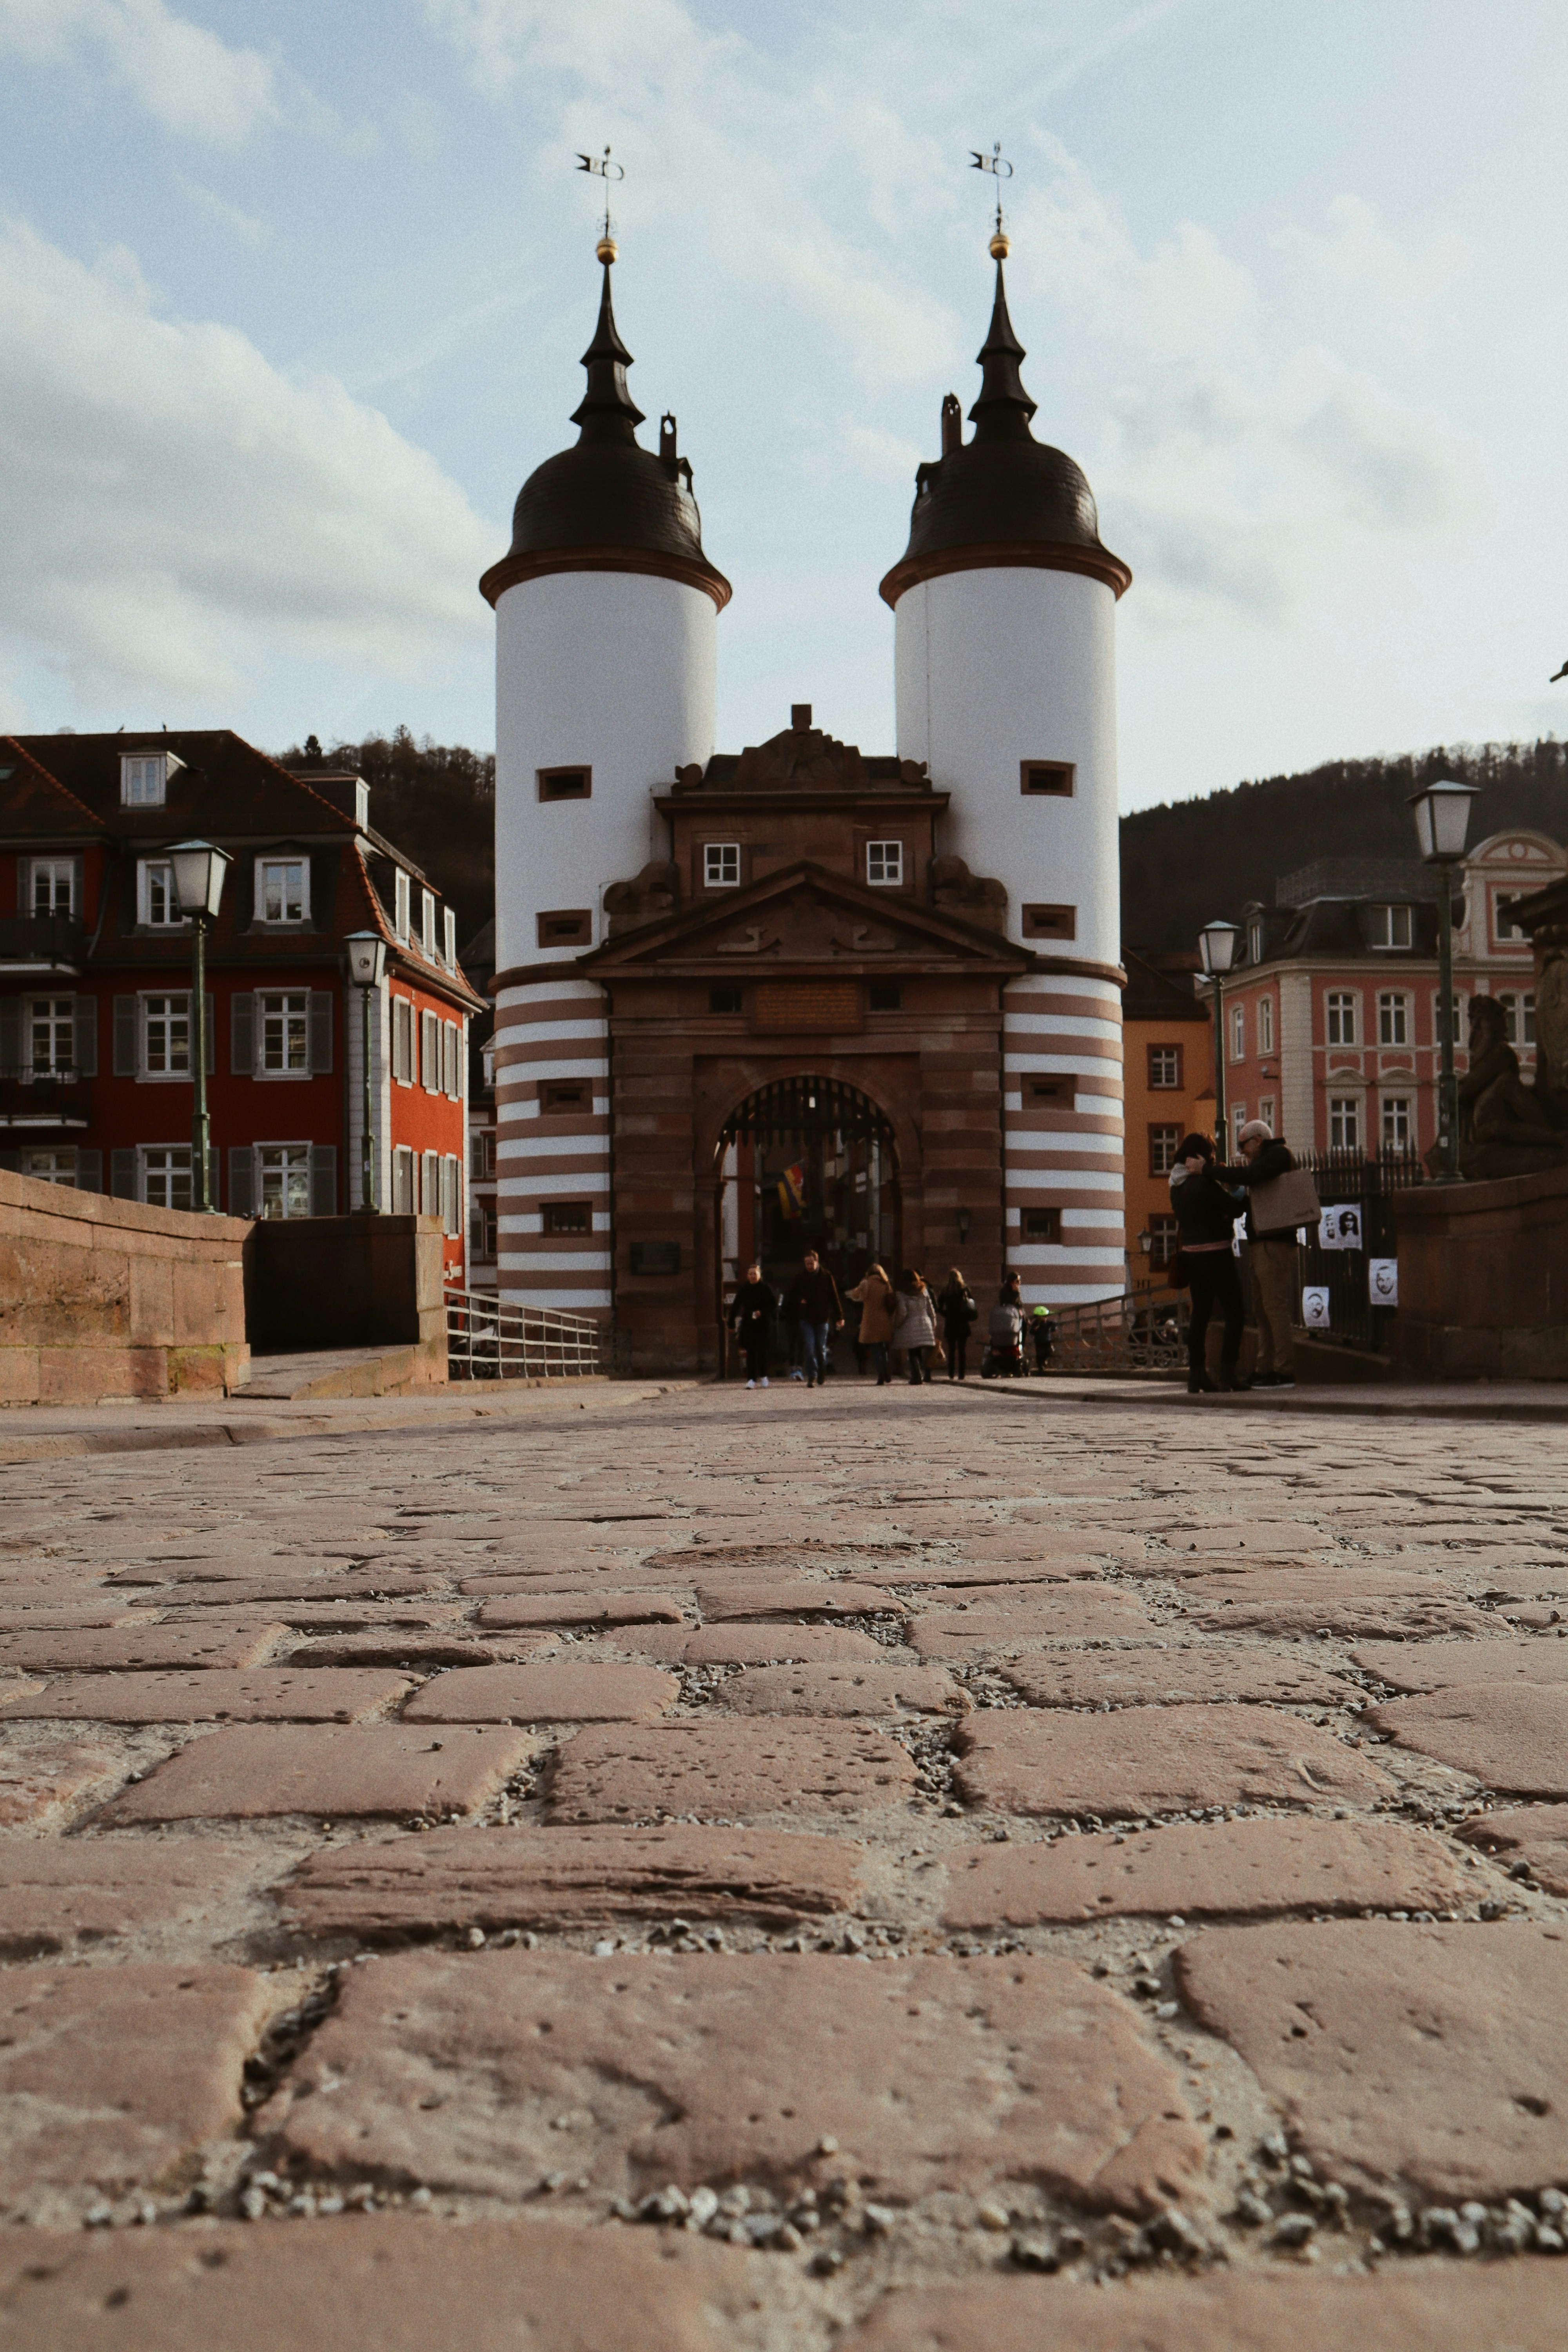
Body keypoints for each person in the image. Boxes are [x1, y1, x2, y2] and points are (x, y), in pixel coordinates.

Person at [1220, 1119, 1300, 1390]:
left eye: (1243, 1145)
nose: (1242, 1151)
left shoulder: (1278, 1155)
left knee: (1275, 1308)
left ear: (1257, 1140)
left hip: (1275, 1244)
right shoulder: (1263, 1165)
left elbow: (1253, 1176)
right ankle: (1264, 1368)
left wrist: (1215, 1172)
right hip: (1261, 1244)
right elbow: (1244, 1204)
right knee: (1262, 1311)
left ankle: (1285, 1370)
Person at [1169, 1132, 1247, 1394]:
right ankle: (1227, 1373)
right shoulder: (1204, 1184)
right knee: (1235, 1312)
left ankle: (1197, 1374)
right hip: (1216, 1253)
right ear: (1201, 1156)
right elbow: (1236, 1209)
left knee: (1200, 1315)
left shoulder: (1176, 1185)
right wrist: (1236, 1188)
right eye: (1210, 1155)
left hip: (1192, 1255)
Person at [783, 1249, 844, 1390]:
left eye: (811, 1263)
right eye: (807, 1263)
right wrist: (800, 1300)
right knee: (810, 1349)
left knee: (821, 1349)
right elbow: (790, 1295)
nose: (809, 1266)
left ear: (817, 1262)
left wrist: (840, 1317)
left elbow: (834, 1298)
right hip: (806, 1319)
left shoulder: (826, 1276)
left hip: (823, 1319)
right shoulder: (800, 1278)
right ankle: (812, 1376)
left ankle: (822, 1370)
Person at [726, 1261, 776, 1390]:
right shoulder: (744, 1289)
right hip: (749, 1323)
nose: (753, 1276)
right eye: (750, 1274)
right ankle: (751, 1379)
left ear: (759, 1275)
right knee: (751, 1351)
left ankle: (764, 1376)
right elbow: (736, 1306)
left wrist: (762, 1312)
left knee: (762, 1351)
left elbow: (773, 1305)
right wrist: (731, 1322)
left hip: (763, 1323)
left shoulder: (766, 1288)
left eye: (755, 1274)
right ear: (747, 1276)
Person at [848, 1261, 896, 1385]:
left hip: (870, 1320)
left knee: (875, 1349)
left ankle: (881, 1374)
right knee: (884, 1347)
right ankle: (886, 1370)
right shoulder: (886, 1284)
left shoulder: (866, 1283)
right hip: (884, 1319)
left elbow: (855, 1294)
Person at [891, 1268, 937, 1384]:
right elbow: (931, 1310)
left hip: (910, 1325)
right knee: (923, 1351)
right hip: (925, 1322)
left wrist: (896, 1325)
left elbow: (903, 1312)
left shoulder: (901, 1294)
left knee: (913, 1352)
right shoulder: (924, 1291)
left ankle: (916, 1376)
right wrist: (933, 1324)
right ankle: (924, 1375)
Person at [935, 1267, 976, 1381]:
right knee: (962, 1350)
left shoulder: (946, 1291)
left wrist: (946, 1314)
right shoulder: (965, 1290)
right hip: (963, 1323)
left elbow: (939, 1306)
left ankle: (951, 1373)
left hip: (951, 1324)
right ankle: (962, 1374)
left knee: (952, 1350)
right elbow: (972, 1304)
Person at [987, 1279, 1024, 1376]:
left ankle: (1001, 1368)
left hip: (1000, 1336)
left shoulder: (1002, 1295)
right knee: (1016, 1339)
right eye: (1018, 1281)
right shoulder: (1014, 1296)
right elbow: (1019, 1306)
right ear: (1013, 1283)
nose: (1020, 1284)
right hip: (1011, 1331)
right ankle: (1014, 1367)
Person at [1029, 1304, 1054, 1374]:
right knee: (1040, 1354)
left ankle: (1044, 1362)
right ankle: (1041, 1367)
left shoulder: (1049, 1323)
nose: (1044, 1318)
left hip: (1047, 1341)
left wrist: (1053, 1327)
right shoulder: (1036, 1323)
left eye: (1045, 1317)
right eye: (1042, 1317)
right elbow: (1031, 1332)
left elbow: (1054, 1326)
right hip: (1039, 1341)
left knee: (1049, 1352)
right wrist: (1035, 1330)